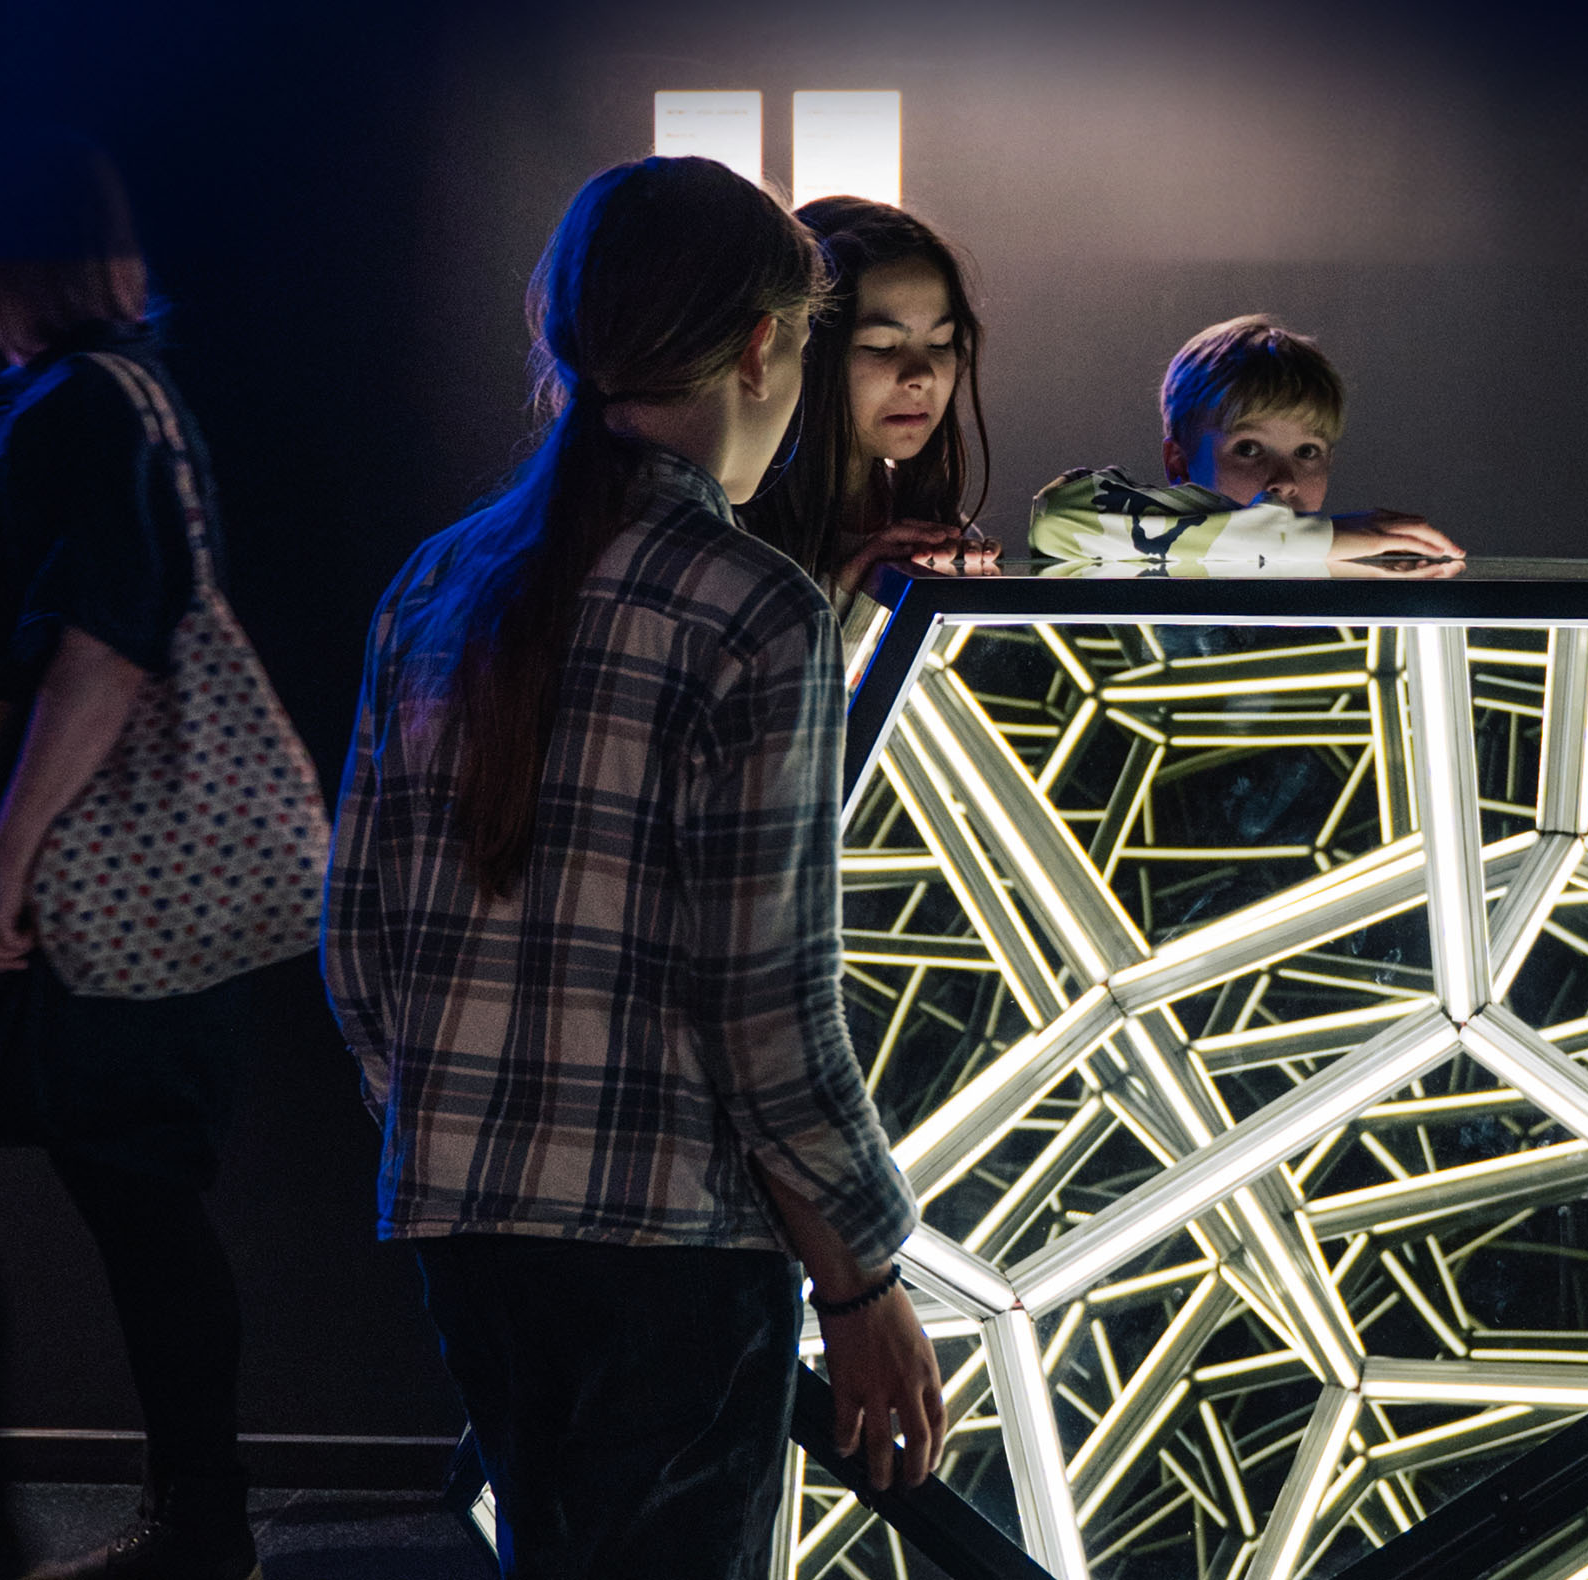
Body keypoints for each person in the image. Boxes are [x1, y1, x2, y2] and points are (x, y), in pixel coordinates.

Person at [321, 157, 939, 1578]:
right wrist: (862, 1281)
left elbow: (356, 950)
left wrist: (458, 1133)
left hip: (462, 1221)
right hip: (673, 1252)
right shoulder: (757, 611)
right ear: (765, 345)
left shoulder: (437, 582)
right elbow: (767, 1013)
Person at [0, 131, 287, 1580]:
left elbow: (105, 647)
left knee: (143, 1206)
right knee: (142, 1204)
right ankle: (202, 1524)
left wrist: (6, 857)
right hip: (112, 905)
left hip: (81, 897)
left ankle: (200, 1528)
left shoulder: (80, 405)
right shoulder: (119, 394)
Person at [738, 195, 995, 640]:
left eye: (940, 344)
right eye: (880, 346)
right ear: (801, 348)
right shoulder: (735, 526)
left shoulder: (934, 524)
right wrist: (849, 591)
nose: (921, 376)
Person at [1028, 313, 1459, 563]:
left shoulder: (1339, 572)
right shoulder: (1141, 538)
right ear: (1178, 461)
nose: (1283, 479)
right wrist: (1320, 538)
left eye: (1307, 451)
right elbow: (1056, 519)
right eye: (1249, 449)